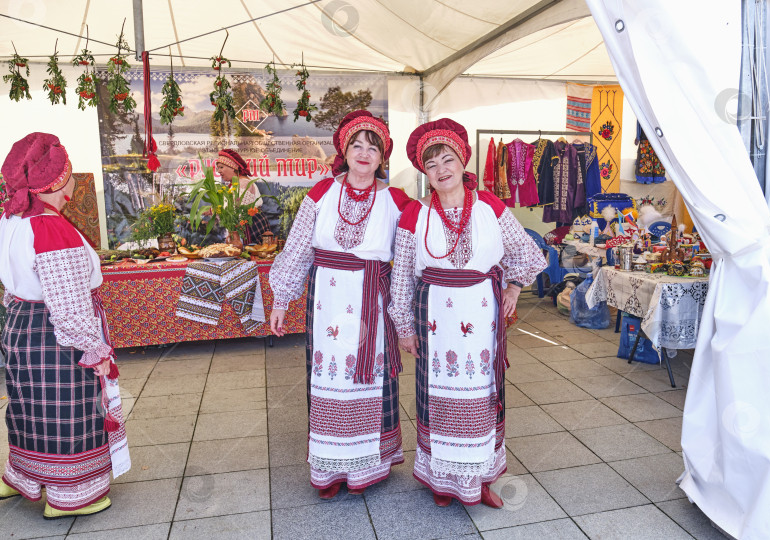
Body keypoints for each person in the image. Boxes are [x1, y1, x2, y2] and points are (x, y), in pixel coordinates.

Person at [389, 119, 547, 508]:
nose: (441, 170)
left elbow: (527, 252)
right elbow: (402, 278)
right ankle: (443, 481)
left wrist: (513, 285)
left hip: (479, 317)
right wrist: (404, 327)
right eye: (432, 165)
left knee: (478, 396)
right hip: (434, 321)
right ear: (424, 173)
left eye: (447, 160)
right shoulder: (414, 214)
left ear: (462, 162)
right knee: (437, 395)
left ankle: (476, 480)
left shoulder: (490, 206)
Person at [268, 110, 410, 498]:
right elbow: (297, 249)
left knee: (369, 379)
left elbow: (413, 256)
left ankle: (368, 467)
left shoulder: (398, 200)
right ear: (344, 152)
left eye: (373, 148)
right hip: (327, 301)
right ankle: (330, 469)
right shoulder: (321, 192)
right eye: (357, 146)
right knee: (330, 377)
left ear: (383, 157)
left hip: (374, 302)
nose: (364, 154)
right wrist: (281, 298)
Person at [0, 133, 129, 518]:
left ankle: (20, 475)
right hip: (55, 331)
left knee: (28, 405)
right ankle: (72, 493)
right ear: (61, 180)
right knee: (69, 409)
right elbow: (69, 303)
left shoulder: (11, 218)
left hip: (22, 323)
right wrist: (96, 350)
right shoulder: (50, 228)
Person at [216, 148, 270, 244]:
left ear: (233, 167)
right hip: (245, 228)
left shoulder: (243, 183)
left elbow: (237, 212)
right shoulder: (235, 184)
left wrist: (215, 211)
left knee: (251, 254)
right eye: (218, 168)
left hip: (251, 229)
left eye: (221, 167)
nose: (218, 171)